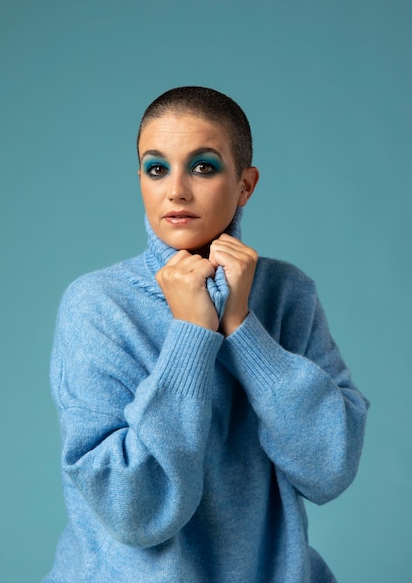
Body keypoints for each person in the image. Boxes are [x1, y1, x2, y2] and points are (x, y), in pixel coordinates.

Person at [44, 86, 369, 582]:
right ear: (140, 180)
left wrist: (241, 326)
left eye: (203, 166)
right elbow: (136, 509)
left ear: (245, 184)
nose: (176, 190)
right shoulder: (98, 306)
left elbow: (328, 468)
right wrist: (193, 333)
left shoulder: (287, 294)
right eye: (157, 168)